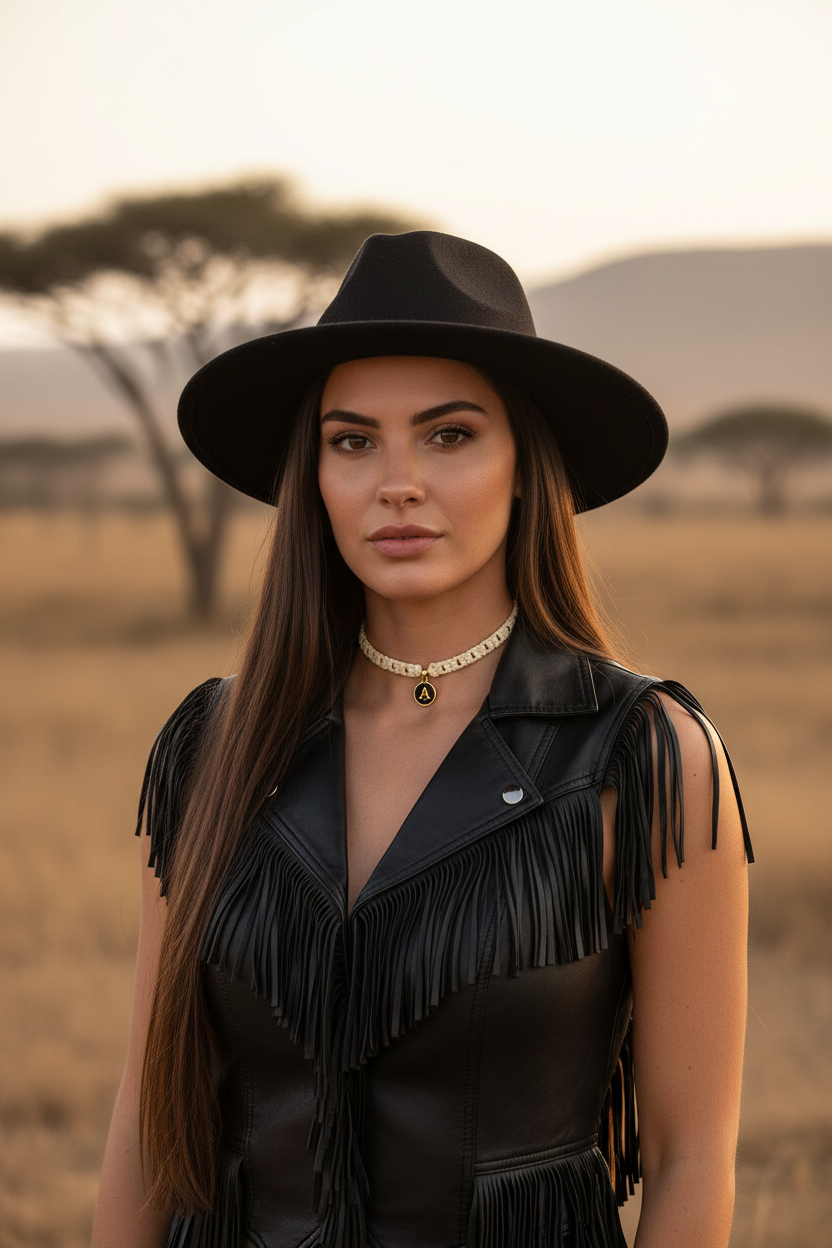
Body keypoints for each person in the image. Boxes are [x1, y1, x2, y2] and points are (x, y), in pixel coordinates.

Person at [92, 231, 753, 1248]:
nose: (395, 483)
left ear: (526, 465)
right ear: (315, 474)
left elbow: (689, 1159)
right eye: (353, 442)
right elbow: (148, 1120)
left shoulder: (645, 757)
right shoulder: (209, 746)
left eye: (448, 435)